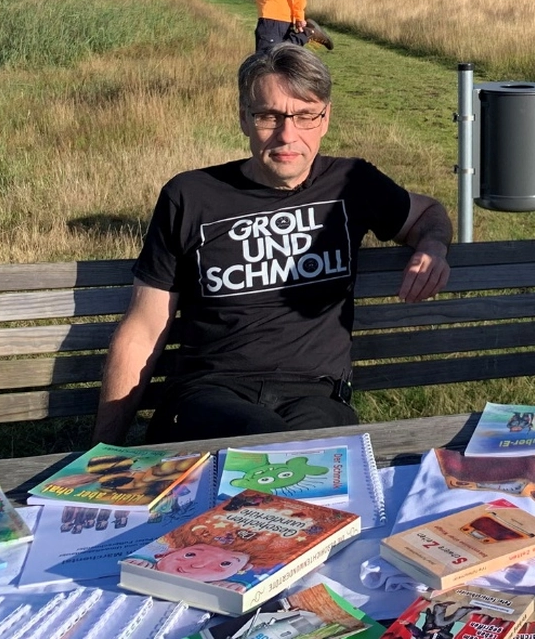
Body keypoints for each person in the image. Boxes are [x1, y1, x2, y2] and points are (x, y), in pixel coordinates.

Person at [94, 44, 452, 443]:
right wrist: (103, 451)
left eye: (305, 115)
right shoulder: (191, 196)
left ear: (325, 118)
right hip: (209, 396)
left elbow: (426, 213)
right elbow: (143, 330)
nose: (287, 135)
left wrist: (433, 247)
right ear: (244, 119)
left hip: (316, 396)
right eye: (269, 116)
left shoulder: (352, 184)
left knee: (312, 450)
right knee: (269, 440)